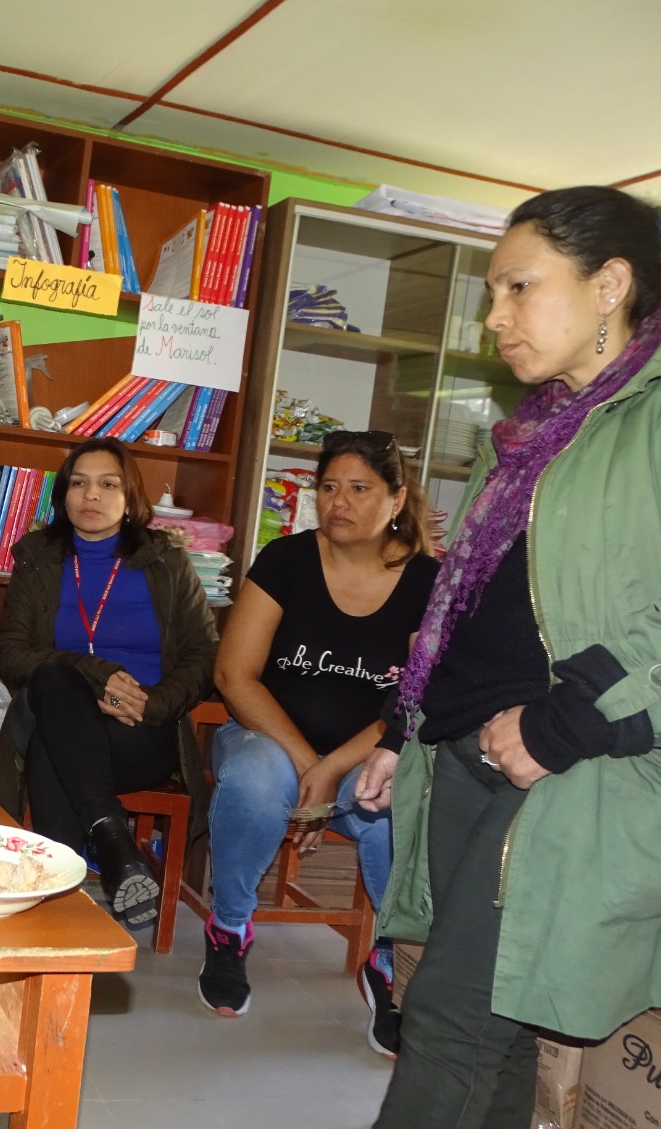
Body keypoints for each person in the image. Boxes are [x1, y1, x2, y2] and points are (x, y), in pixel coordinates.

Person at [359, 187, 661, 1129]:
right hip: (471, 749)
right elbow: (472, 607)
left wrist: (559, 727)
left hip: (578, 763)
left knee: (452, 1020)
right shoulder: (536, 431)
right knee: (494, 1028)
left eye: (518, 287)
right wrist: (404, 728)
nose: (492, 317)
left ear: (609, 286)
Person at [202, 432, 438, 1055]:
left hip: (367, 761)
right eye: (328, 487)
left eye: (360, 489)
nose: (339, 502)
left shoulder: (428, 582)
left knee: (396, 812)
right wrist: (310, 765)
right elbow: (234, 675)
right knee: (257, 776)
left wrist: (335, 767)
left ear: (396, 499)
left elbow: (415, 698)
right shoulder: (286, 559)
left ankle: (387, 962)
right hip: (269, 744)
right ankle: (229, 929)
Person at [0, 439, 218, 927]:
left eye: (108, 484)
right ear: (63, 495)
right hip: (62, 713)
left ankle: (59, 905)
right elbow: (10, 653)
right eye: (78, 483)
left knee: (55, 746)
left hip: (141, 731)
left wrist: (151, 705)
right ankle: (113, 844)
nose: (91, 495)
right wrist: (94, 675)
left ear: (131, 497)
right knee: (55, 683)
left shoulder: (166, 561)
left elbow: (202, 657)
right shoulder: (38, 557)